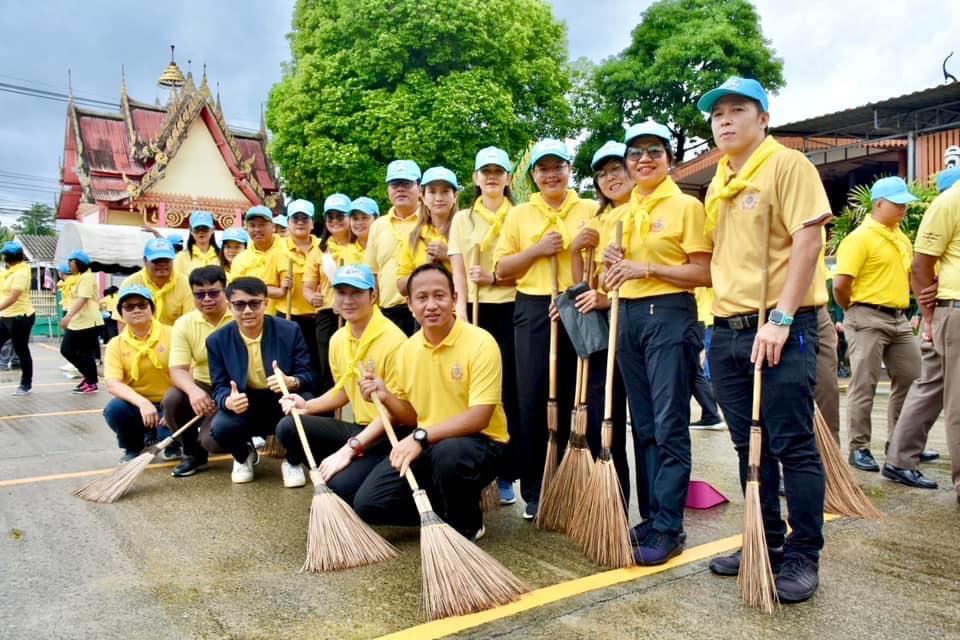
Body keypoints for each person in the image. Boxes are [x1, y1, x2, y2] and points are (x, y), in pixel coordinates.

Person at [698, 77, 829, 603]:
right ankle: (765, 542)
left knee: (792, 443)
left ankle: (803, 555)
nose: (724, 120)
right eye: (716, 114)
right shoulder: (717, 181)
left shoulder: (787, 165)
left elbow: (810, 239)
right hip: (726, 329)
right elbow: (717, 260)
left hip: (779, 326)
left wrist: (780, 317)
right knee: (748, 443)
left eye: (737, 110)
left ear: (763, 119)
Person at [599, 121, 712, 565]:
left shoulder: (686, 206)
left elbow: (703, 272)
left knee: (668, 426)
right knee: (642, 426)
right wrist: (612, 266)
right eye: (635, 154)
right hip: (626, 316)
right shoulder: (622, 214)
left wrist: (646, 269)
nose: (644, 159)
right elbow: (613, 278)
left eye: (654, 152)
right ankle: (651, 518)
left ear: (669, 159)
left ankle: (669, 525)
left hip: (668, 314)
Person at [356, 263, 507, 540]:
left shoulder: (481, 343)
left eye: (440, 296)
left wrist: (421, 437)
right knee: (369, 504)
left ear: (455, 300)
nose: (431, 305)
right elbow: (410, 416)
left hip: (479, 444)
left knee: (449, 455)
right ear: (410, 305)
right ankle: (446, 510)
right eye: (422, 298)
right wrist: (385, 395)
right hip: (428, 444)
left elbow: (480, 416)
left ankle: (467, 525)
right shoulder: (408, 351)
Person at [493, 138, 597, 519]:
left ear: (570, 170)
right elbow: (502, 269)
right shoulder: (520, 214)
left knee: (577, 396)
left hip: (576, 303)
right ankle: (536, 489)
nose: (551, 174)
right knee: (533, 398)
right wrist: (537, 249)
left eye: (558, 167)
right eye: (543, 169)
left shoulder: (588, 207)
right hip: (534, 306)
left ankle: (574, 484)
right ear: (533, 175)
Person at [275, 264, 407, 492]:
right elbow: (344, 390)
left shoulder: (394, 341)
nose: (348, 300)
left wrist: (350, 448)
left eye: (357, 293)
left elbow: (395, 412)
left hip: (390, 433)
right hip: (360, 428)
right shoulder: (338, 339)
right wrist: (307, 404)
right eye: (342, 293)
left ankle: (362, 472)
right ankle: (344, 469)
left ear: (373, 296)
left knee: (340, 487)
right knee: (289, 426)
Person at [833, 177, 921, 472]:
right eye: (898, 203)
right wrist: (854, 312)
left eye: (905, 203)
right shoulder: (859, 239)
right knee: (864, 383)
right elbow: (841, 285)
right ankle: (859, 447)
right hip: (866, 315)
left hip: (899, 318)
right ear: (879, 203)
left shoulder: (900, 237)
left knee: (912, 377)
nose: (903, 209)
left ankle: (898, 444)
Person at [449, 146, 521, 506]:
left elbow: (527, 271)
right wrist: (459, 312)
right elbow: (458, 271)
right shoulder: (462, 219)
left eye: (498, 171)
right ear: (476, 178)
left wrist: (494, 279)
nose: (492, 177)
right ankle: (479, 473)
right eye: (485, 171)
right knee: (473, 393)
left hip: (511, 309)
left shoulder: (520, 214)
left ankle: (506, 473)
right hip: (474, 311)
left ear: (508, 178)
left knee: (507, 393)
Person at [886, 168, 960, 499]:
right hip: (951, 310)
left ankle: (900, 458)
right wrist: (930, 312)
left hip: (946, 308)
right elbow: (921, 265)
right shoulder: (949, 202)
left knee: (931, 386)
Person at [567, 141, 633, 509]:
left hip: (634, 322)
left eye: (616, 169)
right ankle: (607, 501)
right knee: (598, 416)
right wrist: (575, 251)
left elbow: (641, 281)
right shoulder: (599, 219)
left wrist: (607, 300)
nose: (610, 179)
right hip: (601, 332)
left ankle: (647, 511)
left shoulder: (639, 212)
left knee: (637, 423)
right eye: (603, 173)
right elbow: (584, 284)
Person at [206, 277, 315, 484]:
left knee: (310, 408)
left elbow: (308, 375)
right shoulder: (217, 340)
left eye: (254, 303)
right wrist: (228, 401)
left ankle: (292, 462)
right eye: (239, 305)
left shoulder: (290, 330)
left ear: (266, 303)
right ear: (229, 306)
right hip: (245, 403)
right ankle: (242, 455)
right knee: (220, 427)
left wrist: (292, 381)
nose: (247, 311)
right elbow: (219, 386)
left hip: (282, 399)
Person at [163, 266, 233, 477]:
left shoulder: (241, 314)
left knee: (212, 440)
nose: (207, 299)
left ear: (226, 290)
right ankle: (193, 455)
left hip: (236, 386)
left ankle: (242, 445)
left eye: (214, 292)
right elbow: (177, 369)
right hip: (204, 383)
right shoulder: (184, 324)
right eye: (200, 294)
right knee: (172, 400)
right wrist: (194, 391)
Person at [102, 286, 173, 462]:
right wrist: (143, 403)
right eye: (129, 307)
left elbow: (188, 371)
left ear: (152, 308)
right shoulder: (115, 344)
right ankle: (133, 446)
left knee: (169, 437)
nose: (136, 310)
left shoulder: (172, 334)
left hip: (171, 400)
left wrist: (173, 406)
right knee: (115, 409)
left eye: (142, 305)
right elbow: (113, 384)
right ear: (121, 313)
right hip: (138, 404)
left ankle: (173, 443)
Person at [304, 193, 364, 394]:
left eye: (340, 216)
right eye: (331, 217)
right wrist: (312, 297)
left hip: (357, 314)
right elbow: (308, 287)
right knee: (328, 367)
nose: (335, 221)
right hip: (327, 314)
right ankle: (327, 415)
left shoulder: (361, 247)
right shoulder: (319, 251)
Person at [366, 160, 423, 335]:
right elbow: (373, 272)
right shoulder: (378, 226)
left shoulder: (430, 221)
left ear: (420, 189)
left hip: (422, 308)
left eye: (406, 183)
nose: (400, 189)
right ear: (387, 190)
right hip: (388, 310)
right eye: (394, 184)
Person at [396, 166, 458, 298]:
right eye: (432, 192)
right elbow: (401, 287)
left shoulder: (466, 231)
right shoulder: (414, 237)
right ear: (422, 197)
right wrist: (425, 269)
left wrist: (450, 257)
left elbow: (477, 275)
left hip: (462, 310)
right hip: (425, 314)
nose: (438, 198)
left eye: (445, 191)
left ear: (455, 196)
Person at [276, 199, 322, 370]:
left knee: (316, 363)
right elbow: (265, 287)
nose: (300, 222)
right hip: (288, 316)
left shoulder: (324, 246)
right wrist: (281, 289)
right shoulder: (278, 249)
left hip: (317, 317)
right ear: (288, 223)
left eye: (305, 218)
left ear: (312, 223)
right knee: (289, 363)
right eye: (295, 219)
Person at [121, 238, 193, 327]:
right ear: (145, 260)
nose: (162, 264)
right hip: (139, 339)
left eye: (166, 260)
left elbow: (189, 322)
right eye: (157, 260)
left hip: (175, 338)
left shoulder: (185, 284)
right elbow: (122, 321)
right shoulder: (130, 283)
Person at [59, 250, 103, 393]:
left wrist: (68, 316)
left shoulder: (87, 277)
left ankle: (91, 381)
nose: (69, 266)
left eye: (70, 263)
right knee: (71, 351)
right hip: (78, 322)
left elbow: (83, 298)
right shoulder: (78, 277)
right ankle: (89, 378)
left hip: (87, 321)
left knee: (72, 350)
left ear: (78, 263)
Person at [230, 205, 286, 313]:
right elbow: (238, 292)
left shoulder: (287, 249)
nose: (257, 229)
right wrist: (277, 291)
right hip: (253, 318)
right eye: (252, 225)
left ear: (273, 227)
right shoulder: (240, 260)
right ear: (246, 227)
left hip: (287, 317)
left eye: (262, 225)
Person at [0, 241, 35, 395]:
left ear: (9, 256)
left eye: (4, 255)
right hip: (6, 316)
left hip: (21, 317)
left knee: (21, 350)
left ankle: (26, 384)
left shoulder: (22, 272)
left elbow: (14, 297)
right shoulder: (8, 272)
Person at [690, 287, 725, 429]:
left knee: (700, 369)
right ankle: (710, 413)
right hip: (703, 320)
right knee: (696, 369)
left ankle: (711, 414)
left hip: (707, 320)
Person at [174, 211, 221, 276]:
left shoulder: (222, 256)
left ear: (213, 229)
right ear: (190, 230)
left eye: (205, 228)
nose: (201, 232)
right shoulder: (181, 257)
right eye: (197, 229)